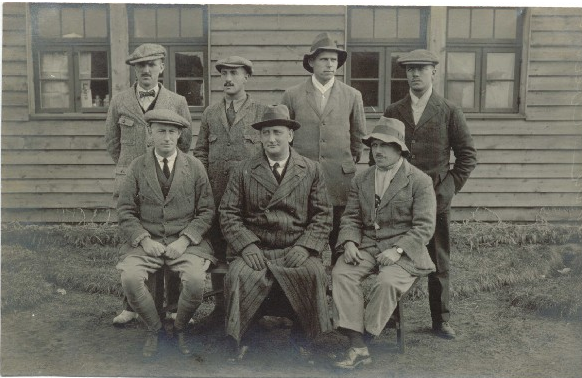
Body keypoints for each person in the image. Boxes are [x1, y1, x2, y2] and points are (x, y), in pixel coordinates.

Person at [219, 105, 332, 359]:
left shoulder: (311, 169)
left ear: (290, 135)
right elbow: (228, 213)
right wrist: (246, 246)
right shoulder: (243, 169)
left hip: (295, 247)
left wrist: (305, 247)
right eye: (266, 133)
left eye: (278, 132)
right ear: (259, 137)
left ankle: (303, 337)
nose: (271, 139)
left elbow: (323, 215)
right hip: (258, 249)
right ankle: (243, 337)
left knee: (313, 273)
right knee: (238, 275)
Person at [384, 49, 477, 339]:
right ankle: (389, 317)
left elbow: (467, 157)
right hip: (399, 200)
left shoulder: (449, 110)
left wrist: (446, 191)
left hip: (435, 201)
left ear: (434, 72)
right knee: (394, 256)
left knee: (438, 261)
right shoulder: (393, 111)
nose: (415, 74)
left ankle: (441, 320)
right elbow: (384, 155)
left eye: (421, 68)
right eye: (410, 69)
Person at [331, 117, 436, 369]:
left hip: (405, 251)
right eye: (374, 145)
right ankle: (359, 346)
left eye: (385, 145)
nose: (377, 151)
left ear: (400, 149)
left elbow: (424, 227)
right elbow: (351, 217)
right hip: (367, 245)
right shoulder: (362, 179)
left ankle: (361, 341)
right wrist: (349, 243)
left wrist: (398, 249)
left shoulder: (420, 181)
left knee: (386, 282)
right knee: (341, 273)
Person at [116, 109, 215, 358]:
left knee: (195, 280)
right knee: (130, 278)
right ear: (150, 133)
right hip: (146, 241)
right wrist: (144, 240)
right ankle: (156, 330)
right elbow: (125, 211)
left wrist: (184, 240)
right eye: (161, 131)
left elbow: (206, 211)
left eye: (172, 132)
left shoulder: (194, 167)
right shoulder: (137, 167)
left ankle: (179, 328)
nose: (167, 138)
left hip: (186, 242)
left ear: (180, 134)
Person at [105, 43, 192, 325]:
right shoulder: (119, 101)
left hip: (167, 179)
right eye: (140, 66)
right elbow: (112, 143)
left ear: (161, 68)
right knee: (135, 242)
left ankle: (172, 306)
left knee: (168, 236)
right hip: (132, 182)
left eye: (151, 65)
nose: (146, 70)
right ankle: (131, 306)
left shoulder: (177, 101)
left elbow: (186, 143)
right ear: (135, 69)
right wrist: (131, 170)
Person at [281, 32, 366, 266]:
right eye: (324, 59)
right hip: (303, 180)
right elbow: (285, 136)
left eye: (334, 60)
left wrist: (344, 164)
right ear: (311, 62)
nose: (330, 64)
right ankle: (310, 284)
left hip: (340, 181)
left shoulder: (352, 95)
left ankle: (339, 286)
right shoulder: (292, 95)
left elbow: (357, 139)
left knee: (339, 238)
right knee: (305, 239)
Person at [193, 56, 268, 323]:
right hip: (215, 195)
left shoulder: (261, 112)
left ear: (247, 76)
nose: (228, 78)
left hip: (249, 200)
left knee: (245, 252)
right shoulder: (210, 113)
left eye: (234, 73)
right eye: (224, 73)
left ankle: (252, 308)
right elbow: (200, 151)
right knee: (217, 252)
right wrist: (202, 186)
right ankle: (220, 306)